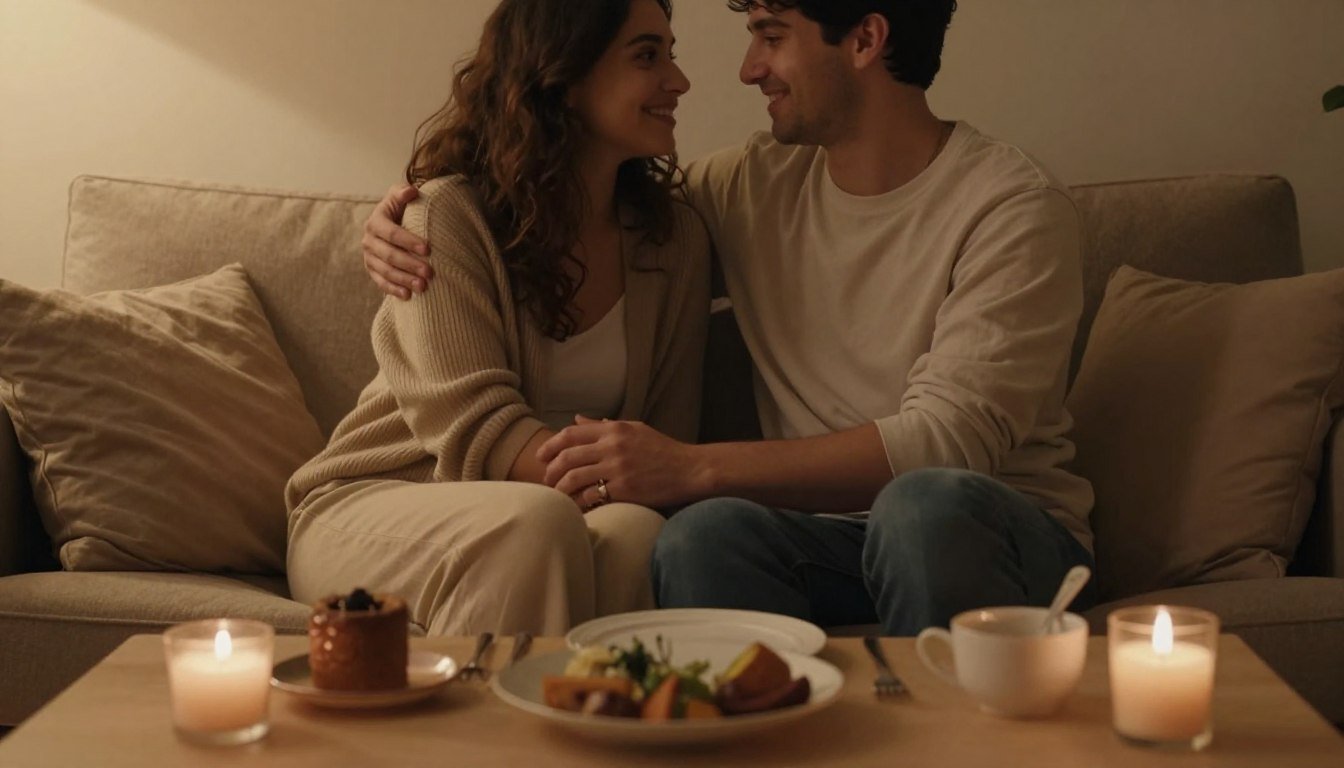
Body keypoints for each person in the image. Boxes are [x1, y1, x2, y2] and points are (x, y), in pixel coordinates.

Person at [360, 0, 1098, 636]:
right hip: (824, 538)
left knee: (919, 511)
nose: (749, 69)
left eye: (772, 35)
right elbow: (566, 189)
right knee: (705, 536)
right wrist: (408, 205)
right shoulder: (751, 187)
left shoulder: (1011, 207)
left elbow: (947, 444)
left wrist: (693, 468)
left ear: (867, 41)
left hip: (991, 532)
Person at [286, 0, 709, 636]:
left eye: (670, 54)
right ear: (563, 76)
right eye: (648, 56)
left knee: (637, 532)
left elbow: (662, 441)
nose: (677, 81)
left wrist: (645, 479)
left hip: (556, 510)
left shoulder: (672, 239)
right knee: (537, 523)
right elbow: (473, 428)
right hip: (379, 501)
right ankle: (487, 733)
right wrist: (612, 479)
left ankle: (597, 725)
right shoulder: (448, 216)